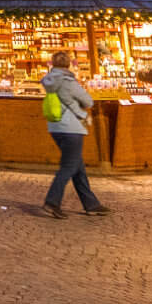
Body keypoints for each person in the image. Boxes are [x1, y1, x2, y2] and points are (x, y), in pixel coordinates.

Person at [38, 50, 109, 219]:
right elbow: (88, 101)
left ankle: (91, 204)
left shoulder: (49, 80)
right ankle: (52, 201)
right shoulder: (68, 81)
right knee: (69, 166)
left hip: (55, 127)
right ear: (68, 64)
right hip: (71, 128)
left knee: (78, 167)